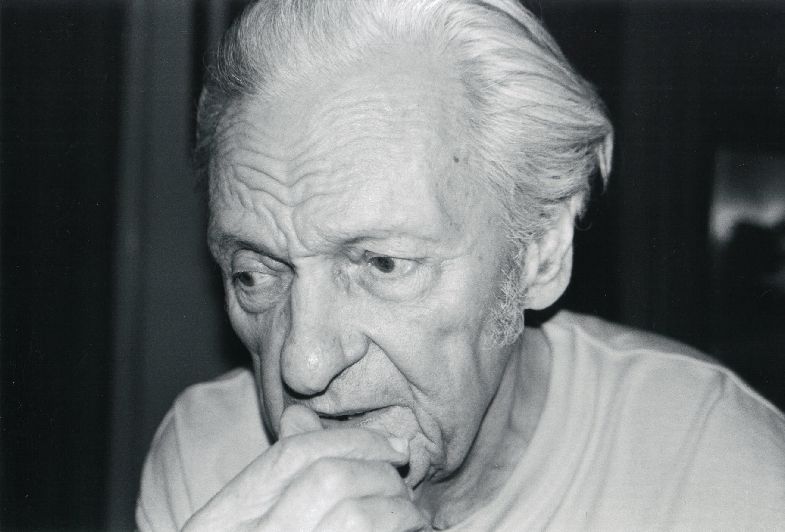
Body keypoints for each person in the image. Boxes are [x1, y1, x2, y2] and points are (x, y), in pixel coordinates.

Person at [136, 0, 785, 530]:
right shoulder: (206, 459)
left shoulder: (720, 475)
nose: (301, 364)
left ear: (538, 253)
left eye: (383, 264)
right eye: (255, 274)